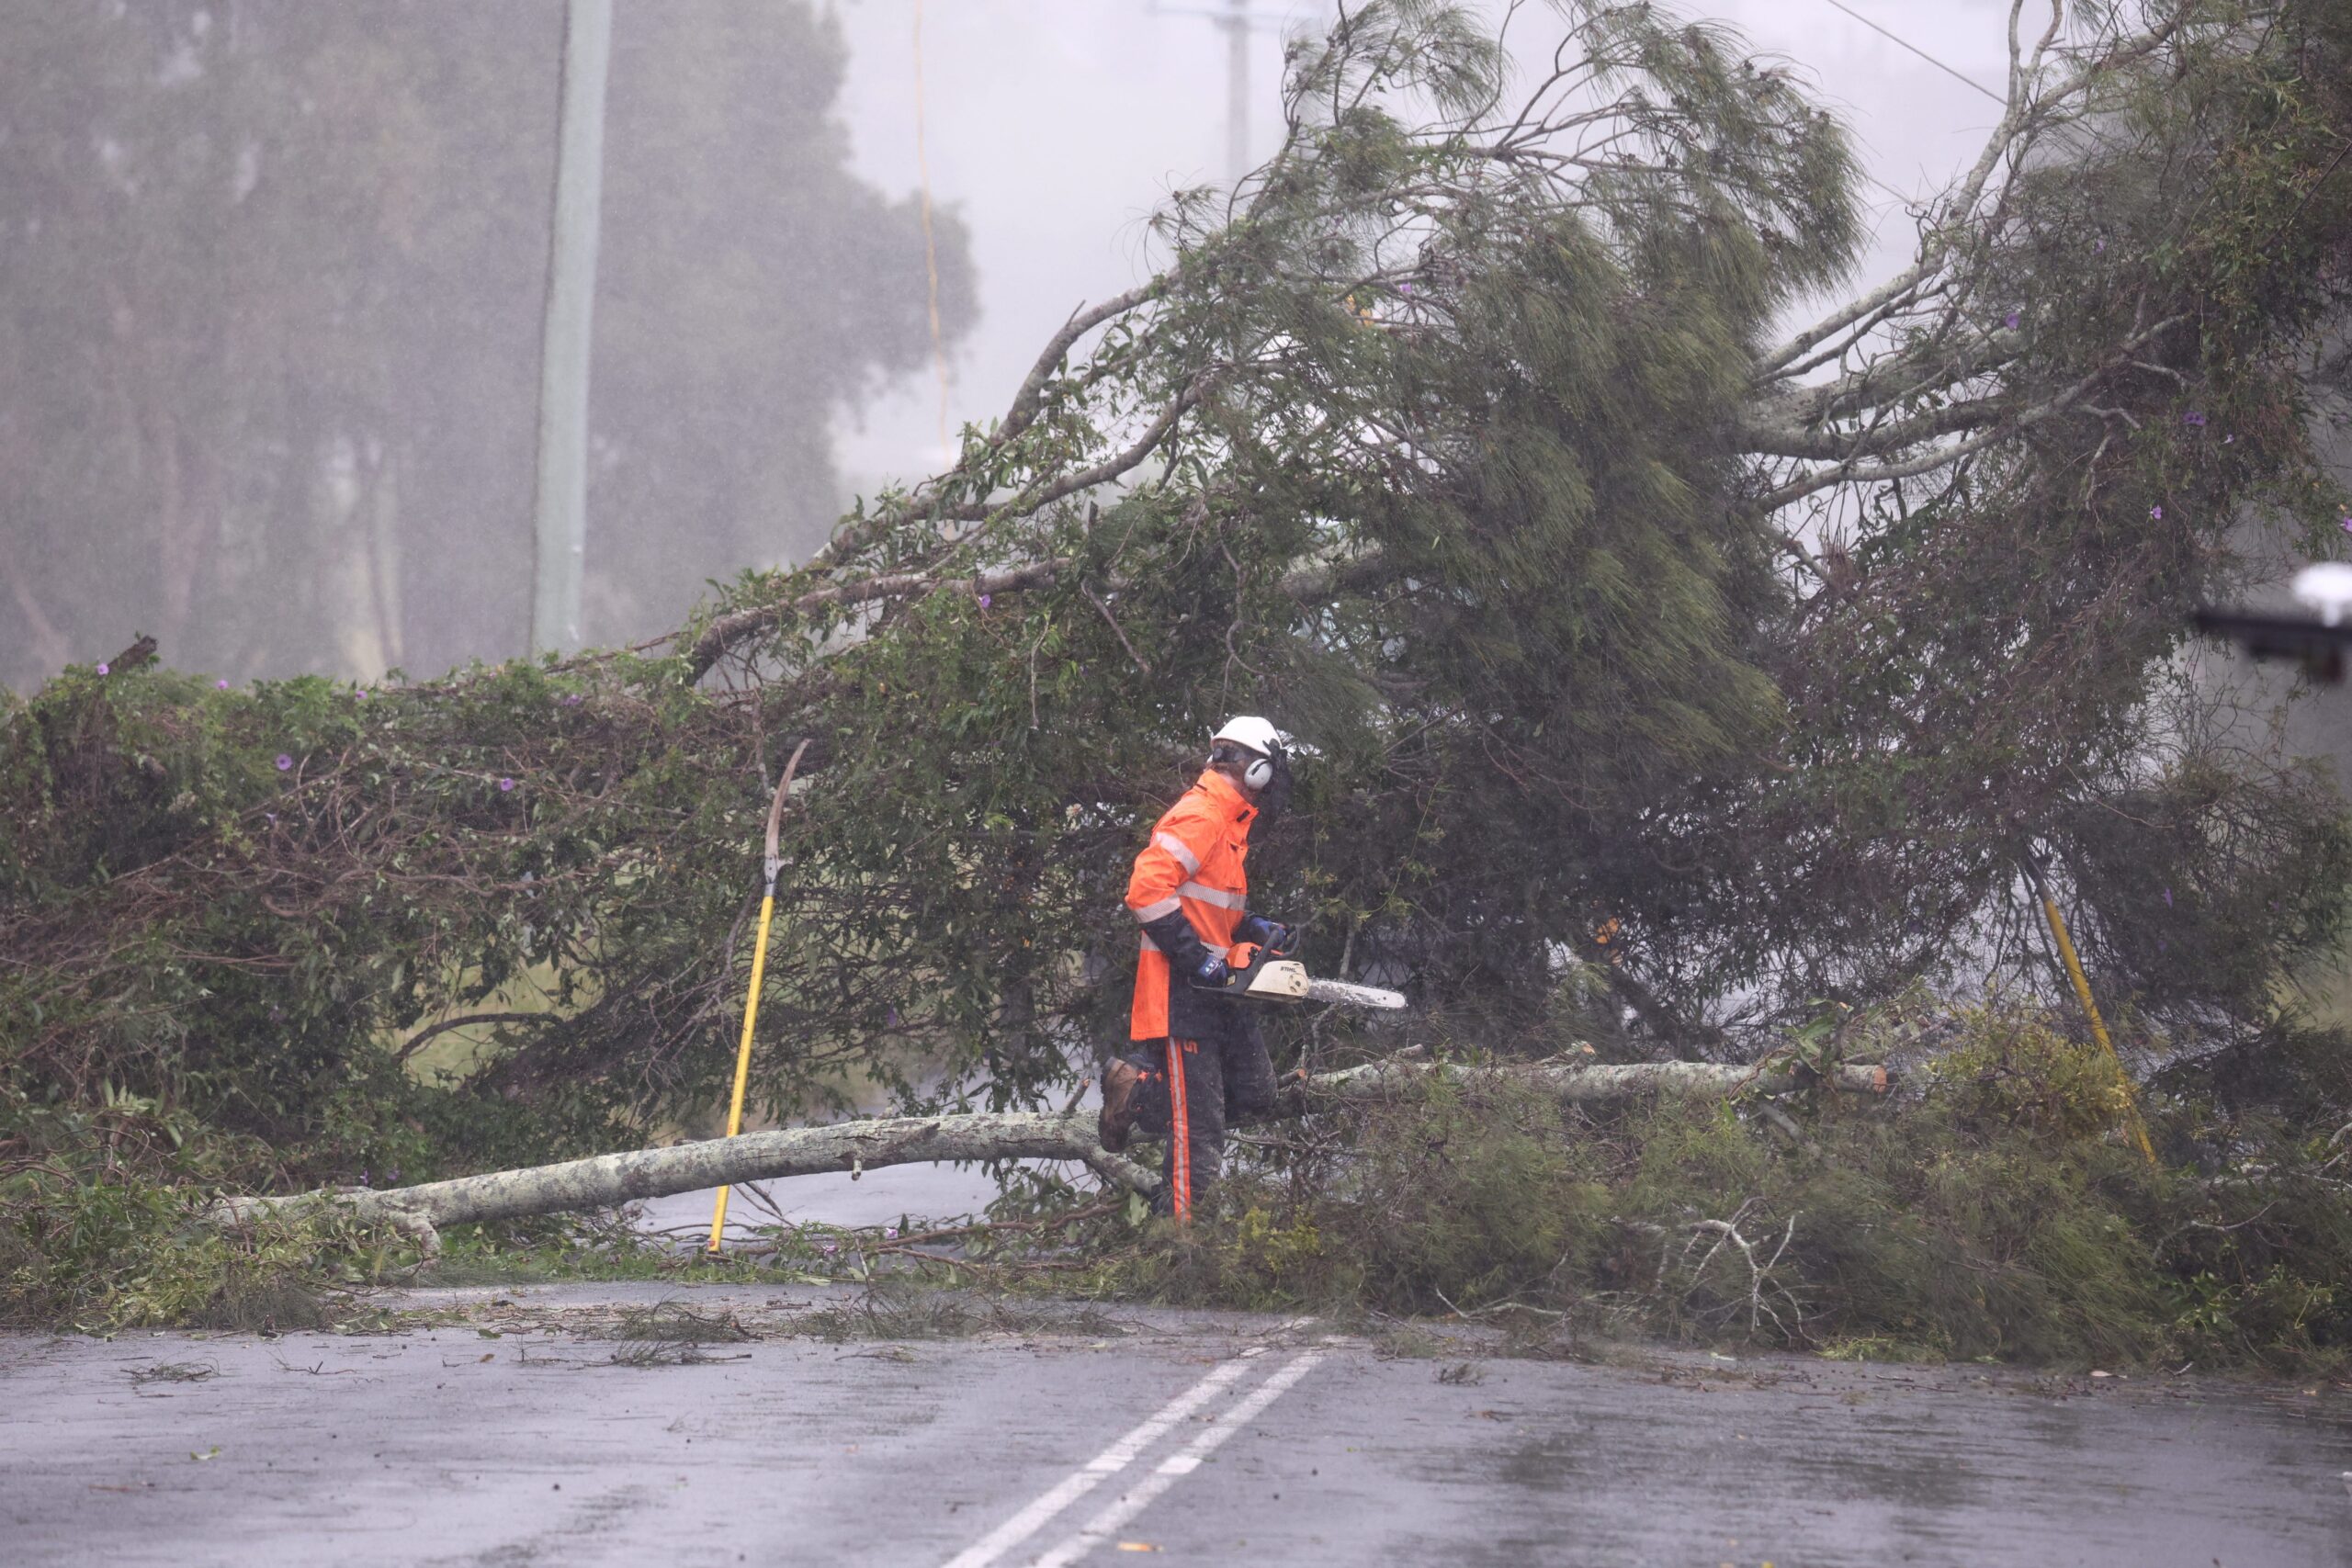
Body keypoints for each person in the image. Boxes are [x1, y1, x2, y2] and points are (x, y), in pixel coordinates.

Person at [1097, 716, 1299, 1220]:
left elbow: (1204, 907)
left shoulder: (1231, 825)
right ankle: (1183, 1245)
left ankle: (1142, 1093)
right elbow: (1145, 891)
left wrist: (1250, 926)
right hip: (1181, 992)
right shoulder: (1202, 815)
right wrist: (1197, 960)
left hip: (1219, 988)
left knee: (1256, 1093)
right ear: (1255, 770)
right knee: (1200, 1134)